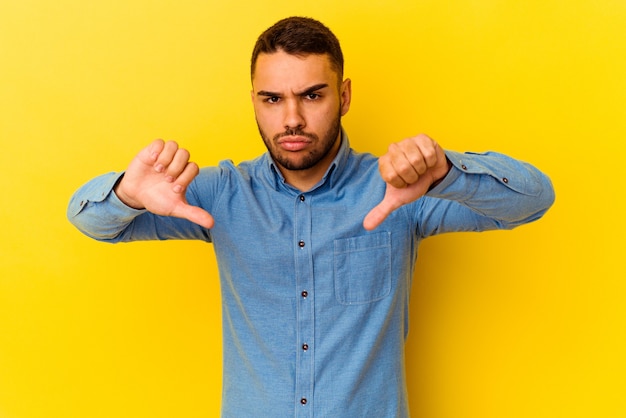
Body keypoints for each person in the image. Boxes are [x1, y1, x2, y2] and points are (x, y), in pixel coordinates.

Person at [68, 16, 554, 417]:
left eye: (312, 95)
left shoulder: (400, 192)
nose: (292, 118)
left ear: (342, 97)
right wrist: (128, 195)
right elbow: (89, 221)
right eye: (273, 99)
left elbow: (534, 199)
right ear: (254, 102)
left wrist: (449, 173)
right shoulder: (217, 195)